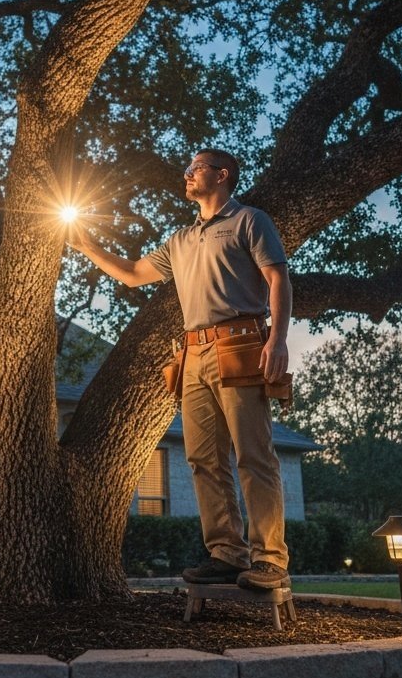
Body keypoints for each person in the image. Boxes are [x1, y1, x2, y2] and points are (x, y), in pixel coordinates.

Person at [67, 148, 292, 590]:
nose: (187, 174)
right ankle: (226, 554)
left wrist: (278, 340)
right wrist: (88, 245)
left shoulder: (249, 220)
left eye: (196, 168)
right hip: (191, 355)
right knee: (203, 460)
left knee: (254, 455)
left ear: (221, 175)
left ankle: (269, 560)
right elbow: (133, 273)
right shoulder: (180, 240)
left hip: (240, 346)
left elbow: (278, 279)